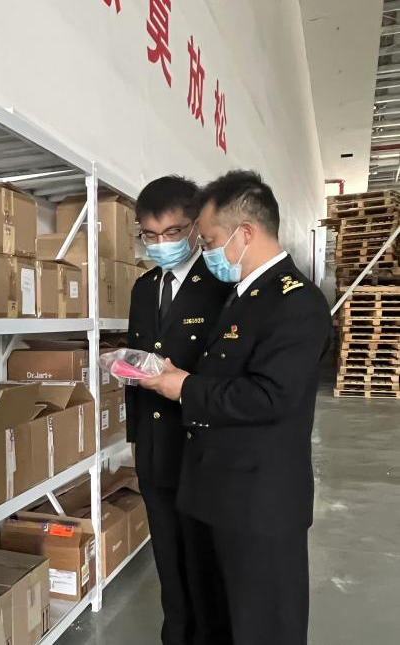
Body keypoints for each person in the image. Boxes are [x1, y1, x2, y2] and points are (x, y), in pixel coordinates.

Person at [140, 170, 332, 645]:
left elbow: (271, 397)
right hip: (217, 492)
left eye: (209, 241)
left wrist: (184, 388)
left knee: (263, 626)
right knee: (220, 621)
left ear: (245, 233)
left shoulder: (296, 303)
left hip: (260, 503)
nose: (206, 253)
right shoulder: (244, 297)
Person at [126, 175, 232, 645]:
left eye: (172, 232)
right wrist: (135, 437)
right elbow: (139, 360)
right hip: (154, 449)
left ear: (193, 227)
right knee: (168, 559)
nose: (161, 244)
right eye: (150, 235)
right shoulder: (144, 287)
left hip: (200, 446)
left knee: (204, 559)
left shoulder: (221, 283)